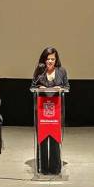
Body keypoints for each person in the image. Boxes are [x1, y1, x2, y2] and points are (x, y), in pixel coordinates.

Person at [31, 47, 68, 175]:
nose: (50, 61)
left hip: (56, 110)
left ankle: (55, 168)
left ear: (56, 60)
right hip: (42, 110)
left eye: (52, 59)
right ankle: (42, 168)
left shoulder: (62, 71)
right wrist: (39, 87)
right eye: (48, 59)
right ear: (44, 60)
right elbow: (32, 87)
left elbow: (67, 86)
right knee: (42, 139)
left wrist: (60, 88)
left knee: (54, 139)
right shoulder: (39, 70)